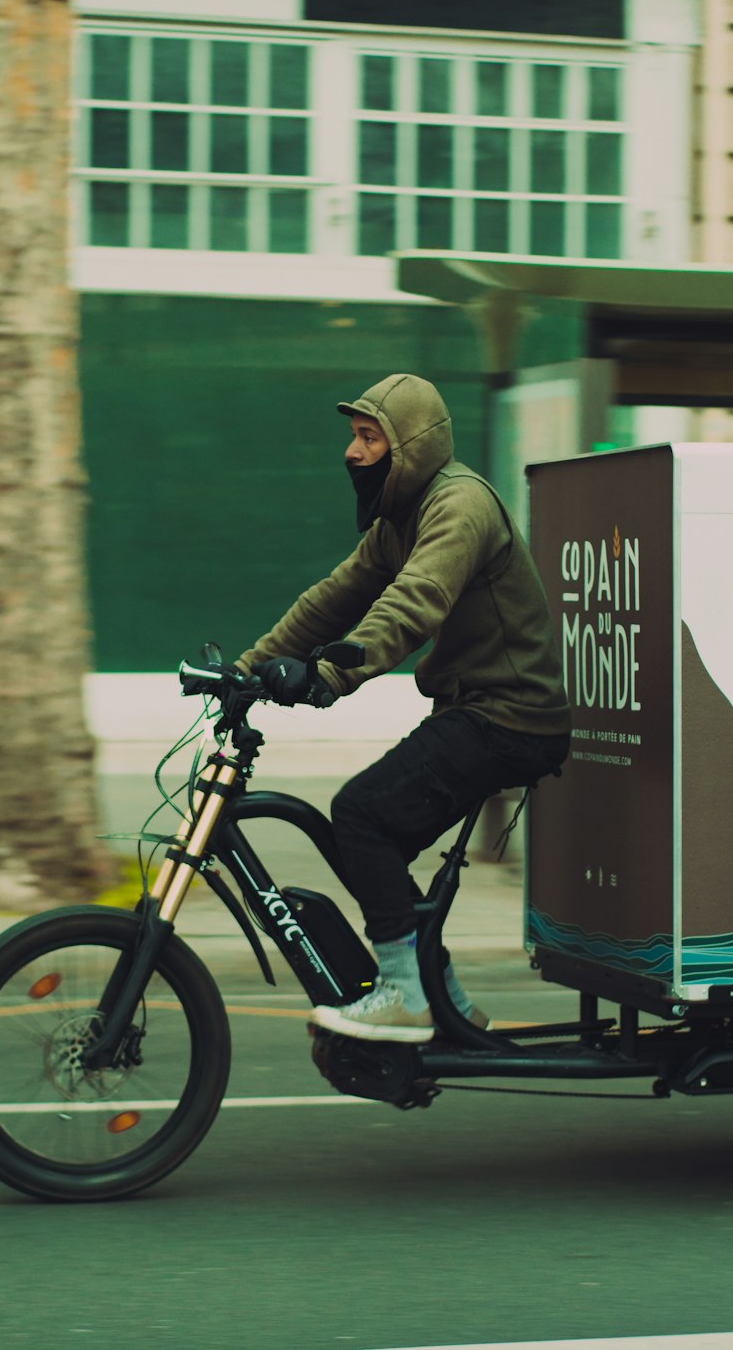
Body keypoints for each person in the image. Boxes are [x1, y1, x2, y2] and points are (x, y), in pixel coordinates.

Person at [237, 373, 570, 1042]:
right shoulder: (401, 520)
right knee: (372, 847)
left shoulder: (460, 505)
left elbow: (414, 601)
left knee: (361, 815)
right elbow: (332, 598)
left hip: (510, 717)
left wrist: (328, 673)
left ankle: (407, 995)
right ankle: (437, 989)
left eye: (368, 438)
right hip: (475, 711)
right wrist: (245, 670)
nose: (352, 453)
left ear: (411, 447)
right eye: (353, 438)